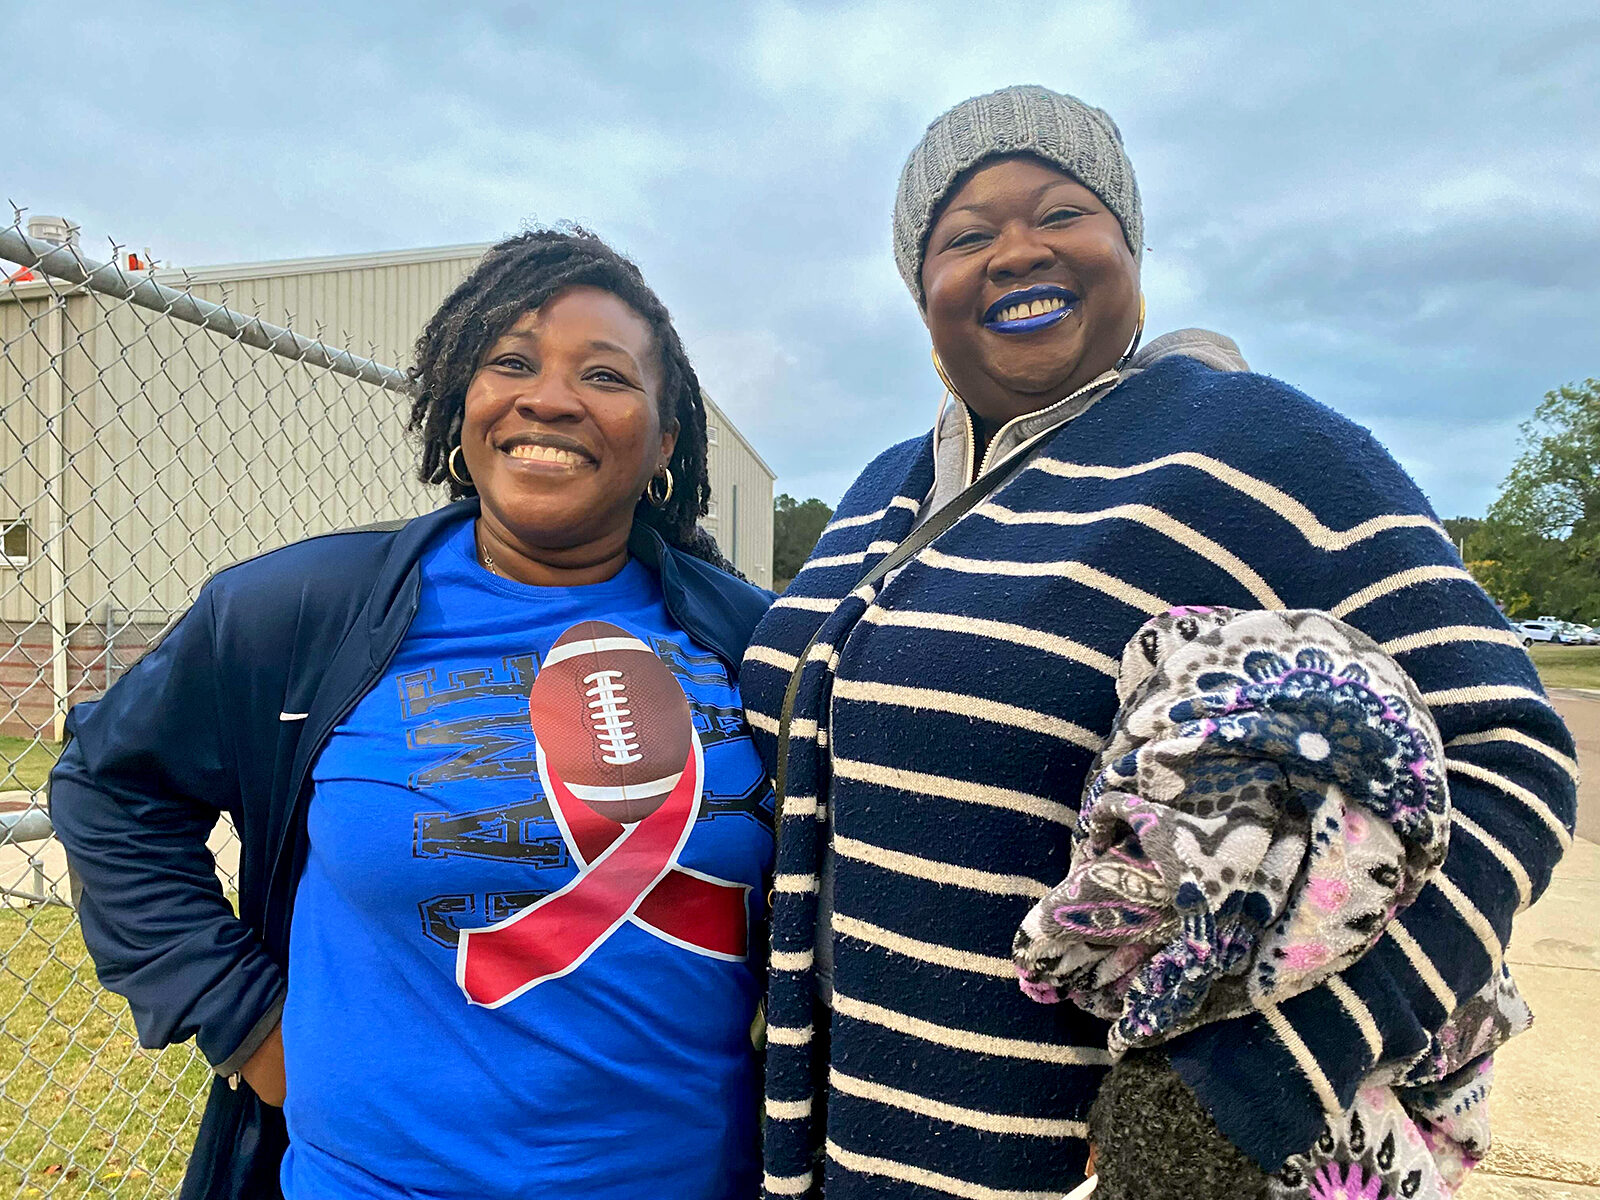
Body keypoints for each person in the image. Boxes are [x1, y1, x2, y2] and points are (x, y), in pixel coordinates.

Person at [741, 85, 1576, 1200]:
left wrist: (1249, 1085)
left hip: (1085, 1171)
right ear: (918, 283)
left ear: (1126, 244)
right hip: (846, 1158)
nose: (1016, 251)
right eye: (967, 234)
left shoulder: (1255, 443)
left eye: (1063, 212)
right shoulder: (878, 490)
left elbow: (1512, 760)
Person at [50, 227, 775, 1200]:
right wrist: (241, 1016)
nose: (549, 397)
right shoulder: (300, 610)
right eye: (510, 362)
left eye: (605, 376)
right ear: (459, 401)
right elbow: (108, 787)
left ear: (665, 439)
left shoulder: (753, 638)